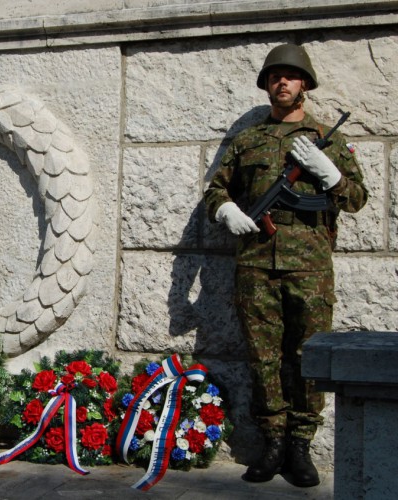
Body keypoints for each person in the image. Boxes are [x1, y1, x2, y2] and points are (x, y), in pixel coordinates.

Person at [204, 44, 367, 487]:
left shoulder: (327, 140)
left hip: (310, 269)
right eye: (275, 76)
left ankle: (300, 444)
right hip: (256, 265)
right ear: (267, 84)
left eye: (291, 76)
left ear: (305, 85)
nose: (282, 82)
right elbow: (214, 191)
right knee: (263, 357)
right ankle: (271, 442)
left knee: (307, 356)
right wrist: (226, 212)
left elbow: (356, 199)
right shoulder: (247, 141)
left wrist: (331, 174)